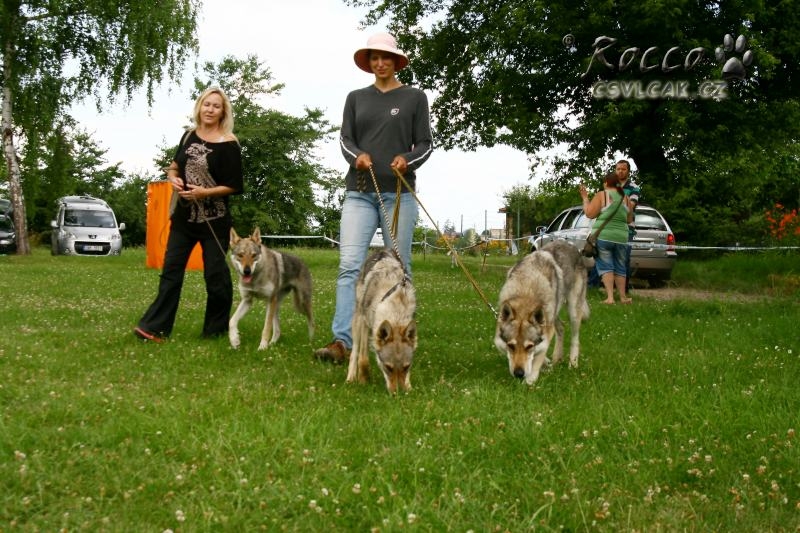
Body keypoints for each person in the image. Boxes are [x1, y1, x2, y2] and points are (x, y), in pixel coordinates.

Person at [314, 32, 433, 363]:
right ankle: (343, 341)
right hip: (359, 192)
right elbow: (345, 140)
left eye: (386, 57)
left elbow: (425, 144)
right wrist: (358, 157)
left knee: (400, 266)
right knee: (350, 266)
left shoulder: (414, 97)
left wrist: (405, 160)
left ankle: (399, 335)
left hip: (399, 194)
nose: (380, 63)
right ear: (369, 63)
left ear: (396, 61)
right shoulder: (355, 97)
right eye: (374, 58)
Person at [134, 87, 244, 342]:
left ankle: (215, 331)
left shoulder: (229, 143)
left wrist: (204, 193)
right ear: (199, 107)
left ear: (222, 112)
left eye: (216, 106)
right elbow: (174, 168)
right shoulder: (188, 136)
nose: (210, 109)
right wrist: (173, 180)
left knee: (215, 275)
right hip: (184, 219)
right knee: (171, 272)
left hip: (214, 220)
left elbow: (234, 186)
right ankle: (154, 328)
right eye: (207, 104)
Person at [579, 172, 634, 304]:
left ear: (606, 183)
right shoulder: (626, 198)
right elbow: (629, 219)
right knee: (621, 266)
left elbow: (589, 214)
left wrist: (585, 198)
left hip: (604, 236)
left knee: (606, 266)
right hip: (622, 237)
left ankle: (610, 298)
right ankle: (622, 297)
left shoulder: (602, 195)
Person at [615, 159, 641, 290]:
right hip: (610, 227)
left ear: (628, 171)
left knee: (624, 259)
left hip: (627, 228)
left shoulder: (634, 187)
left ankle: (624, 290)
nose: (620, 171)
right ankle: (594, 288)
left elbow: (631, 205)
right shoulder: (610, 185)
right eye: (618, 169)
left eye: (623, 169)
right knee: (604, 257)